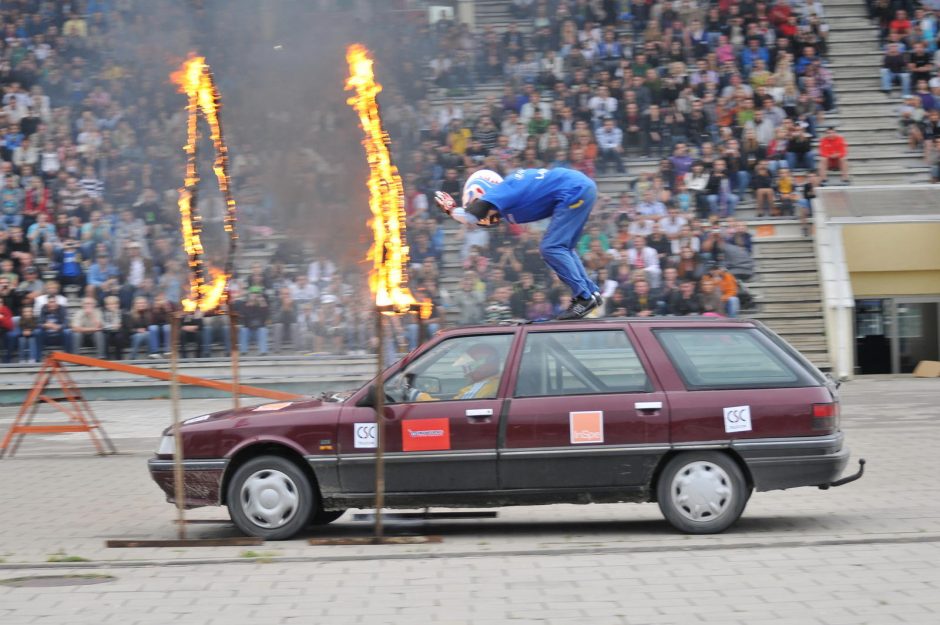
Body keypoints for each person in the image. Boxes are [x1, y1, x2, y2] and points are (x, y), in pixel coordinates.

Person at [435, 169, 601, 319]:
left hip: (574, 190)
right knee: (564, 248)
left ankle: (584, 297)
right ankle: (591, 293)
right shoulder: (509, 188)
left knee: (551, 248)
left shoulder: (501, 190)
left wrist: (450, 209)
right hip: (580, 187)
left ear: (480, 193)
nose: (486, 221)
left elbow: (472, 216)